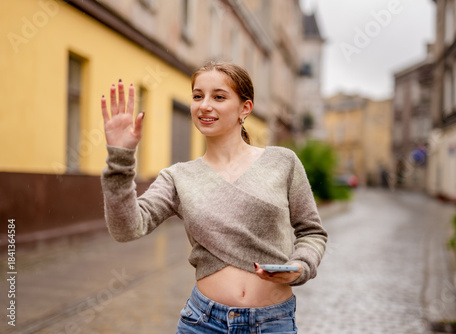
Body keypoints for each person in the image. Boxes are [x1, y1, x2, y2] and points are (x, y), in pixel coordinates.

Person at [100, 61, 328, 333]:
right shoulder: (178, 177)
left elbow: (312, 232)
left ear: (245, 108)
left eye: (219, 97)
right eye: (198, 96)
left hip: (273, 323)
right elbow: (126, 228)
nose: (204, 105)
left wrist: (300, 266)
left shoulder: (282, 162)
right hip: (204, 323)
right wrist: (120, 159)